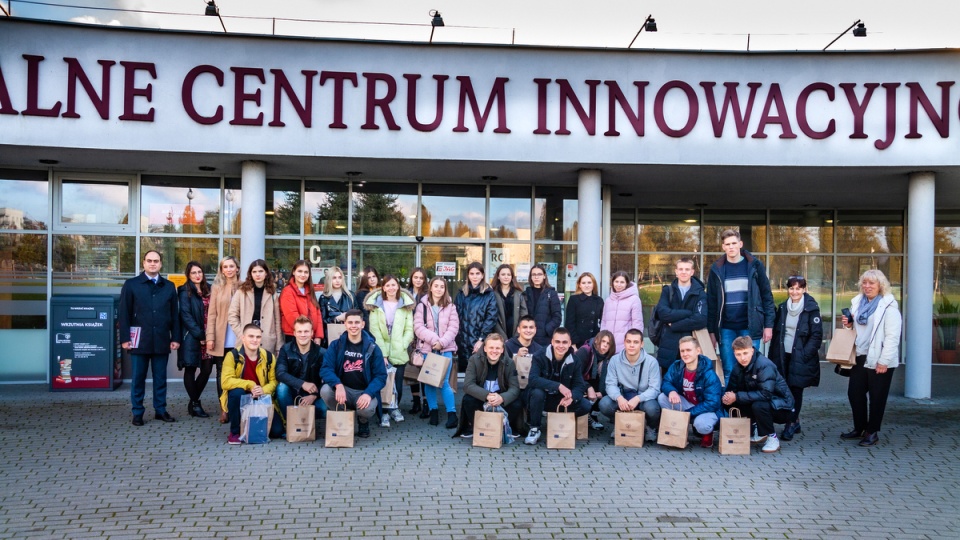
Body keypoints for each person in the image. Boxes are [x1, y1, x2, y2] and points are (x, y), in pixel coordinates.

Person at [839, 269, 901, 447]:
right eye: (864, 283)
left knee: (877, 397)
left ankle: (872, 432)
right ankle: (859, 428)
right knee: (854, 394)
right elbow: (855, 329)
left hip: (880, 359)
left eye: (871, 283)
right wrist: (849, 324)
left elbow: (892, 337)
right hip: (860, 355)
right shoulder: (858, 303)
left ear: (880, 285)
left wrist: (884, 361)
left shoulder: (888, 306)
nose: (867, 286)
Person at [707, 229, 776, 385]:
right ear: (723, 247)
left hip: (750, 327)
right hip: (726, 328)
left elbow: (767, 297)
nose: (731, 247)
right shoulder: (716, 269)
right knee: (729, 371)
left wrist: (769, 325)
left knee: (752, 372)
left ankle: (748, 408)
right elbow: (711, 302)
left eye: (733, 243)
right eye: (727, 244)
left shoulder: (755, 265)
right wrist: (711, 331)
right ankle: (731, 409)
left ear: (740, 244)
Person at [119, 250, 180, 426]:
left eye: (156, 261)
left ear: (161, 264)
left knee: (160, 378)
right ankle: (137, 412)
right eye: (149, 261)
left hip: (161, 339)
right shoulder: (131, 284)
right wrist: (124, 338)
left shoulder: (168, 286)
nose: (153, 263)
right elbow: (124, 314)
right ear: (144, 263)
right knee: (138, 378)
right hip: (139, 340)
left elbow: (174, 315)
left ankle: (160, 410)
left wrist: (175, 337)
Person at [768, 275, 823, 441]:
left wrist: (805, 354)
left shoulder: (811, 308)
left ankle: (790, 424)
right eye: (792, 288)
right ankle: (794, 419)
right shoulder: (784, 307)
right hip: (783, 355)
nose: (795, 291)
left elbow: (816, 335)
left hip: (801, 356)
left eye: (798, 288)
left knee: (796, 390)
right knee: (783, 388)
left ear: (804, 289)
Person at [319, 309, 388, 438]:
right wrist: (338, 385)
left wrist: (368, 393)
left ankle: (363, 421)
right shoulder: (336, 345)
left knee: (367, 409)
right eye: (350, 322)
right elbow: (326, 368)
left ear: (363, 324)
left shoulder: (373, 348)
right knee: (325, 390)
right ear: (345, 324)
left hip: (363, 391)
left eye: (357, 322)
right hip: (343, 389)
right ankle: (342, 416)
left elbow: (381, 376)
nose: (353, 326)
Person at [721, 336, 795, 454]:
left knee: (758, 405)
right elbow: (732, 390)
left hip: (783, 407)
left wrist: (737, 396)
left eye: (745, 353)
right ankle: (758, 431)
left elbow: (766, 394)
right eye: (738, 354)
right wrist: (727, 397)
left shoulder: (764, 365)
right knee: (728, 402)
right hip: (760, 400)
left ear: (752, 350)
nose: (742, 358)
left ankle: (772, 437)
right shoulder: (737, 367)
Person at [364, 275, 416, 428]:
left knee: (397, 385)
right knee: (383, 384)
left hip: (399, 350)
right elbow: (374, 330)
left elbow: (409, 329)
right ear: (383, 288)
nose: (391, 288)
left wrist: (402, 344)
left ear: (398, 287)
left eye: (394, 285)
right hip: (382, 352)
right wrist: (383, 353)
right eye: (388, 285)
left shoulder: (405, 305)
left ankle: (395, 408)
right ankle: (384, 413)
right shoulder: (376, 306)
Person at [524, 328, 591, 445]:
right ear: (552, 342)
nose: (561, 345)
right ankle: (534, 428)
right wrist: (558, 386)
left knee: (585, 405)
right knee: (537, 392)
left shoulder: (575, 360)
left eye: (564, 342)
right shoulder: (539, 355)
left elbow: (579, 386)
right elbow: (533, 380)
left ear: (570, 343)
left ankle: (559, 422)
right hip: (542, 399)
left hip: (561, 400)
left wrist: (572, 397)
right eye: (558, 342)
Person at [220, 323, 283, 444]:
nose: (255, 340)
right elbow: (225, 382)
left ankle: (251, 427)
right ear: (243, 338)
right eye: (251, 336)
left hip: (261, 399)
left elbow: (274, 381)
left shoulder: (269, 357)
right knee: (236, 392)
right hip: (241, 398)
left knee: (277, 431)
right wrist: (250, 384)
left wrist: (263, 390)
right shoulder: (232, 356)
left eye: (258, 337)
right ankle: (235, 432)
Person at [659, 336, 723, 448]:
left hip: (706, 409)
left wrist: (688, 414)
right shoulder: (677, 366)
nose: (685, 354)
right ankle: (678, 431)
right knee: (662, 397)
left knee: (702, 425)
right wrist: (671, 391)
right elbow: (666, 382)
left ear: (698, 351)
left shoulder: (709, 374)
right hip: (688, 403)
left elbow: (712, 403)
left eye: (688, 350)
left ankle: (707, 433)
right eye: (682, 351)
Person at [598, 329, 661, 443]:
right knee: (604, 403)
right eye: (629, 341)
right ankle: (620, 424)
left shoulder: (651, 362)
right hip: (624, 396)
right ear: (624, 342)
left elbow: (655, 389)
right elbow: (610, 384)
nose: (632, 345)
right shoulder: (615, 360)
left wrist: (638, 399)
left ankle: (650, 428)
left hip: (643, 399)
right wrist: (619, 397)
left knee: (653, 408)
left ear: (642, 344)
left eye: (636, 342)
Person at [454, 333, 523, 438]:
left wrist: (502, 398)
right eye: (491, 347)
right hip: (481, 396)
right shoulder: (474, 360)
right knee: (468, 400)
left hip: (500, 398)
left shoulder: (510, 363)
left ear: (502, 350)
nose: (494, 351)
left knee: (517, 402)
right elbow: (468, 385)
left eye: (497, 348)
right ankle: (476, 427)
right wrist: (486, 395)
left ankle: (505, 427)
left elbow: (515, 388)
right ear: (485, 348)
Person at [414, 276, 461, 427]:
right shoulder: (422, 306)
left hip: (445, 349)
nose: (439, 289)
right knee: (430, 382)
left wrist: (441, 343)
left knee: (445, 382)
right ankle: (433, 412)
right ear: (431, 287)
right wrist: (434, 340)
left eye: (442, 286)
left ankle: (452, 414)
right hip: (428, 349)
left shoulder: (451, 306)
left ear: (445, 289)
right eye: (436, 286)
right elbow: (418, 327)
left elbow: (454, 328)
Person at [654, 257, 707, 374]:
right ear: (676, 272)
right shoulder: (668, 291)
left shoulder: (700, 293)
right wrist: (689, 313)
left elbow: (701, 319)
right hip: (668, 344)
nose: (684, 272)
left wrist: (674, 325)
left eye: (687, 269)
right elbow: (663, 314)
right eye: (681, 269)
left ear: (692, 272)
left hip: (690, 344)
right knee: (668, 383)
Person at [206, 255, 241, 423]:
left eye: (231, 266)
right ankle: (224, 409)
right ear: (221, 270)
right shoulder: (217, 288)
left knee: (239, 373)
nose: (228, 269)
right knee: (222, 374)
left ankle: (238, 407)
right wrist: (210, 337)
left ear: (237, 268)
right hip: (222, 337)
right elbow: (211, 315)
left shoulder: (244, 286)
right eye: (225, 267)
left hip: (239, 337)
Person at [275, 315, 326, 428]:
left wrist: (314, 395)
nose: (303, 335)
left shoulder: (321, 353)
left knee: (324, 409)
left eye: (306, 331)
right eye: (300, 331)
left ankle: (306, 424)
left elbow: (327, 378)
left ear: (312, 333)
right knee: (281, 388)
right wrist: (302, 384)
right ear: (294, 333)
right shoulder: (286, 349)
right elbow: (280, 373)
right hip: (292, 394)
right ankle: (290, 424)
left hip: (313, 396)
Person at [177, 261, 212, 418]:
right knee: (190, 369)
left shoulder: (209, 289)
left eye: (200, 272)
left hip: (209, 335)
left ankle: (193, 402)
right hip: (192, 336)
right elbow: (185, 315)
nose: (197, 275)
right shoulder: (185, 291)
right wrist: (200, 335)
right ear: (188, 275)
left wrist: (208, 336)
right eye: (193, 273)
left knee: (206, 370)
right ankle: (196, 404)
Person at [228, 259, 282, 356]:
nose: (257, 274)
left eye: (261, 271)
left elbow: (277, 320)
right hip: (246, 338)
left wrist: (279, 345)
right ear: (250, 274)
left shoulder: (272, 292)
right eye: (254, 272)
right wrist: (241, 333)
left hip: (267, 339)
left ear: (266, 273)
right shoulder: (242, 291)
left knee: (265, 369)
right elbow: (232, 315)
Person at [454, 262, 498, 371]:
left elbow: (491, 318)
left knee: (478, 375)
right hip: (462, 342)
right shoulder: (461, 293)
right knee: (463, 378)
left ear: (482, 275)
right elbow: (455, 318)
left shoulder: (489, 294)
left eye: (477, 273)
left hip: (479, 342)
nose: (474, 276)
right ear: (468, 275)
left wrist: (481, 339)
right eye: (472, 273)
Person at [278, 259, 323, 345]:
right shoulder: (288, 291)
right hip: (295, 337)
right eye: (300, 271)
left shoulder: (310, 291)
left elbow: (318, 314)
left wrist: (318, 336)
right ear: (294, 272)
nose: (303, 274)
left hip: (311, 337)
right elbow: (292, 316)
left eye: (306, 272)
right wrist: (306, 334)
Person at [600, 271, 644, 352]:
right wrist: (603, 339)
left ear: (627, 283)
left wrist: (633, 344)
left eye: (622, 282)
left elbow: (637, 324)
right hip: (609, 346)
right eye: (616, 281)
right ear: (612, 282)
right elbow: (604, 322)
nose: (618, 285)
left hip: (625, 347)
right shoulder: (608, 300)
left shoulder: (634, 299)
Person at [406, 267, 429, 415]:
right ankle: (415, 402)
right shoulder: (405, 294)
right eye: (416, 277)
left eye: (421, 277)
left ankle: (426, 402)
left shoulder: (428, 294)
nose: (418, 280)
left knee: (424, 371)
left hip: (423, 336)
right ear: (411, 278)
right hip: (409, 336)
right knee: (412, 370)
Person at [524, 264, 562, 347]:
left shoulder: (551, 293)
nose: (536, 277)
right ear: (530, 277)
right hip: (527, 337)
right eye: (534, 275)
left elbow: (557, 317)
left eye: (539, 274)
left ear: (544, 276)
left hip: (545, 339)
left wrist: (546, 330)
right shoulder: (526, 293)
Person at [565, 272, 604, 348]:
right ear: (579, 285)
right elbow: (570, 323)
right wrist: (573, 344)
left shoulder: (599, 300)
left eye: (589, 282)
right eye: (583, 283)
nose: (587, 285)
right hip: (579, 342)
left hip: (595, 341)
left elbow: (603, 321)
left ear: (593, 284)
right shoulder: (574, 300)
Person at [491, 263, 528, 340]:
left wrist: (517, 335)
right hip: (497, 336)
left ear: (512, 277)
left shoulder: (519, 294)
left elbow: (524, 315)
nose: (506, 277)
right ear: (498, 276)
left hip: (516, 336)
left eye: (508, 274)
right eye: (503, 274)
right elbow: (491, 317)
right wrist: (503, 337)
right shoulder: (492, 294)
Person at [319, 266, 354, 344]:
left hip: (349, 334)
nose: (337, 280)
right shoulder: (324, 298)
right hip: (330, 336)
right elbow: (322, 320)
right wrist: (337, 318)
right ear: (329, 279)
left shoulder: (350, 296)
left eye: (339, 277)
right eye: (334, 278)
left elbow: (358, 316)